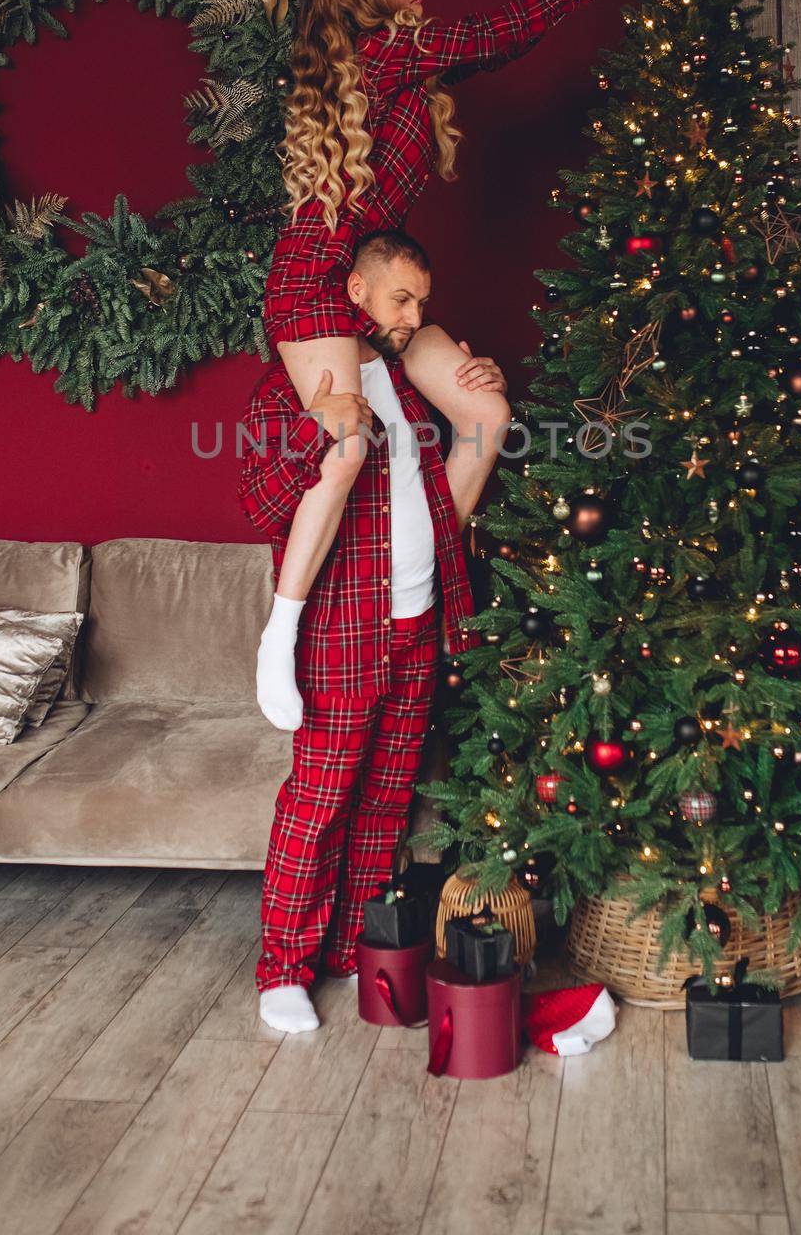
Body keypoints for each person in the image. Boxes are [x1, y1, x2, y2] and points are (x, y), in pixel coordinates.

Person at [256, 0, 680, 723]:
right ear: (366, 3)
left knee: (483, 408)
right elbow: (499, 32)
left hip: (373, 287)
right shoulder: (390, 53)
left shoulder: (403, 66)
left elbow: (499, 35)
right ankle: (281, 638)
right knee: (344, 449)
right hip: (313, 283)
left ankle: (425, 566)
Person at [239, 227, 507, 1033]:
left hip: (418, 621)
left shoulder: (403, 376)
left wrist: (481, 381)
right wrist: (317, 424)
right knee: (320, 801)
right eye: (401, 298)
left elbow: (465, 446)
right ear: (355, 292)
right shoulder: (296, 378)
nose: (414, 314)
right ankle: (282, 968)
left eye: (422, 301)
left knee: (387, 802)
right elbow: (262, 502)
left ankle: (354, 947)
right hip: (342, 628)